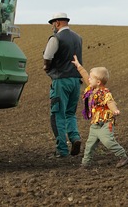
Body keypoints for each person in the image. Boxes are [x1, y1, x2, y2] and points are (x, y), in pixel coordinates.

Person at [71, 55, 128, 168]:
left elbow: (110, 102)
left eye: (91, 78)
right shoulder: (92, 89)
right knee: (89, 145)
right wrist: (78, 66)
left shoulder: (105, 93)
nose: (88, 79)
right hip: (95, 124)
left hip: (106, 122)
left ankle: (123, 156)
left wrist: (115, 110)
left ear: (98, 82)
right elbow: (85, 76)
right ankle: (85, 164)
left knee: (107, 141)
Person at [43, 12, 83, 158]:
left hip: (61, 80)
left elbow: (47, 57)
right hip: (75, 80)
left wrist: (46, 67)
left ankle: (62, 150)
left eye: (53, 23)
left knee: (57, 114)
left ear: (58, 22)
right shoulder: (78, 38)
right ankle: (75, 137)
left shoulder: (56, 38)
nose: (53, 26)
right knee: (70, 113)